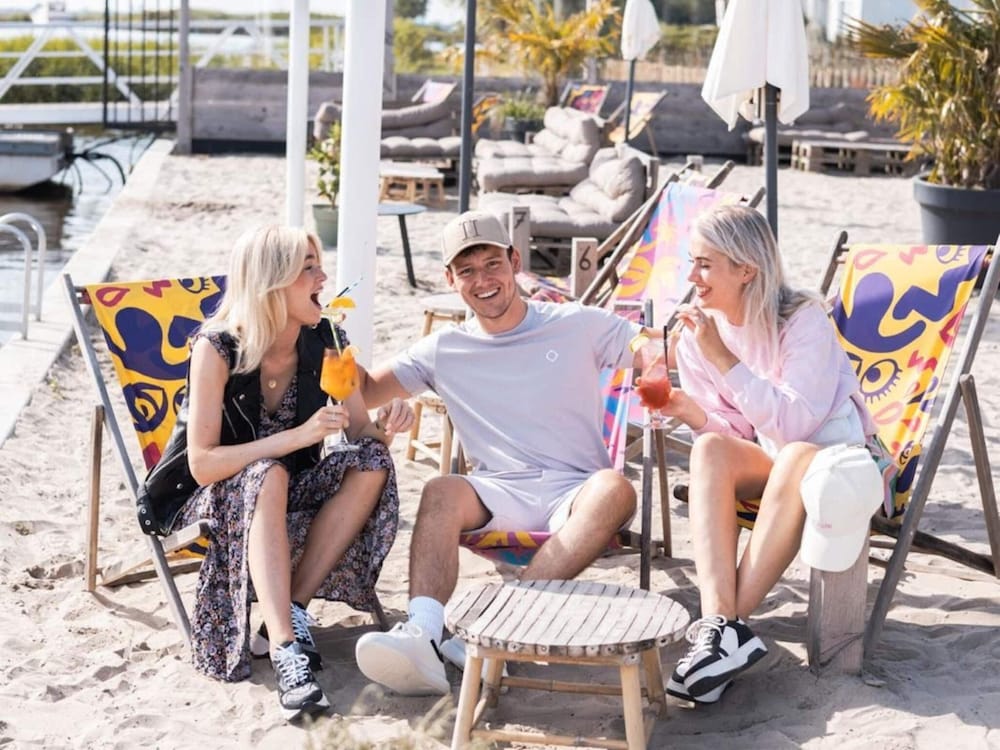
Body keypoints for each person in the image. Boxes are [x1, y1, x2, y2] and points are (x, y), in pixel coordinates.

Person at [352, 210, 657, 696]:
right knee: (440, 490)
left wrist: (655, 349)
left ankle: (503, 618)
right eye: (467, 271)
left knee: (616, 488)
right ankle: (424, 635)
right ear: (450, 280)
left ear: (515, 262)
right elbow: (366, 391)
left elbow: (642, 343)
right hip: (499, 492)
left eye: (492, 264)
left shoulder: (574, 323)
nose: (483, 281)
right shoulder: (443, 348)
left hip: (576, 493)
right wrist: (328, 340)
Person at [170, 224, 412, 721]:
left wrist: (386, 427)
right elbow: (202, 463)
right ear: (270, 281)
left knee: (372, 460)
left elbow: (360, 431)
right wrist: (297, 437)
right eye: (308, 269)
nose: (323, 277)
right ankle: (286, 651)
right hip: (222, 492)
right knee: (268, 474)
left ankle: (292, 612)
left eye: (319, 266)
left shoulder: (329, 339)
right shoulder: (216, 348)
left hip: (291, 485)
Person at [652, 205, 881, 704]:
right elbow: (736, 432)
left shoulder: (802, 319)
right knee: (710, 448)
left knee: (797, 453)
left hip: (837, 461)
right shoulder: (698, 338)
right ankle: (721, 630)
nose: (692, 277)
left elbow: (797, 422)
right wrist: (690, 411)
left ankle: (722, 632)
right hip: (774, 460)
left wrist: (724, 358)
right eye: (692, 263)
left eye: (705, 264)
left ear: (746, 269)